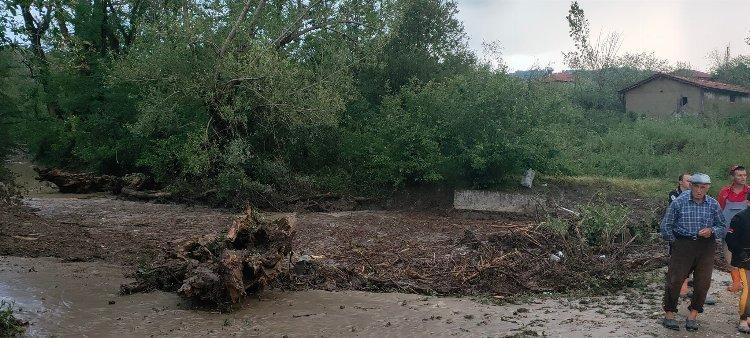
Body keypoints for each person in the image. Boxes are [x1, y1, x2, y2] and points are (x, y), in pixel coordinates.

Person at [660, 173, 727, 332]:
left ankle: (693, 316)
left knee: (703, 282)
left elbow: (722, 226)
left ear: (708, 187)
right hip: (683, 244)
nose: (699, 190)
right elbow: (665, 225)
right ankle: (669, 314)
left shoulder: (713, 204)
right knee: (675, 280)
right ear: (690, 186)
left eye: (703, 187)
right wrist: (676, 242)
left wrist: (711, 231)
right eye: (696, 186)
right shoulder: (679, 202)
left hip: (706, 246)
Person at [718, 165, 750, 293]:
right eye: (739, 175)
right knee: (729, 259)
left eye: (744, 175)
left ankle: (746, 283)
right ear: (733, 177)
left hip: (747, 233)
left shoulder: (749, 191)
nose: (743, 178)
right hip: (728, 231)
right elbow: (719, 211)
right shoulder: (724, 192)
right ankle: (737, 283)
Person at [724, 207, 750, 332]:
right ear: (748, 202)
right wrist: (741, 254)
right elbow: (730, 239)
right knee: (748, 289)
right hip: (744, 259)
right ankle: (743, 319)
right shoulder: (739, 217)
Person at [668, 173, 693, 298]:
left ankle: (684, 285)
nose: (690, 183)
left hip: (690, 234)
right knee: (676, 257)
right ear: (680, 182)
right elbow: (678, 208)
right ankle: (677, 284)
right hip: (676, 232)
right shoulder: (673, 194)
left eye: (692, 181)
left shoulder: (695, 195)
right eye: (688, 180)